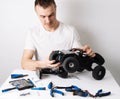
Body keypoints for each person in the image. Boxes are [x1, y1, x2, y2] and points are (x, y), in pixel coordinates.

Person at [21, 0, 95, 71]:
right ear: (36, 13)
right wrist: (43, 64)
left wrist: (87, 54)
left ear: (56, 9)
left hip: (67, 76)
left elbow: (78, 56)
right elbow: (24, 63)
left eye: (51, 15)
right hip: (44, 77)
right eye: (43, 17)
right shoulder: (33, 33)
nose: (48, 21)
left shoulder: (70, 31)